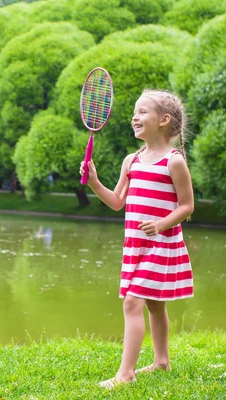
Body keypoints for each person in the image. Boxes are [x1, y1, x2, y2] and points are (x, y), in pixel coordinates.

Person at [79, 89, 195, 389]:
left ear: (164, 120)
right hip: (136, 245)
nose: (135, 116)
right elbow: (117, 202)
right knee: (155, 304)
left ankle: (126, 373)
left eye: (143, 111)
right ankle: (161, 362)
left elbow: (187, 206)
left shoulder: (173, 162)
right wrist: (94, 182)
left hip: (161, 243)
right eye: (135, 111)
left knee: (133, 303)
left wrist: (161, 224)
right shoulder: (131, 161)